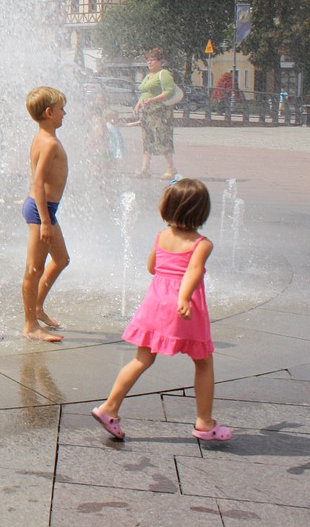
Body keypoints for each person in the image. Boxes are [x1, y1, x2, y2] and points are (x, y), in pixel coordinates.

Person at [91, 178, 230, 442]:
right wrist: (184, 298)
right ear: (202, 212)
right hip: (182, 307)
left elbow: (152, 268)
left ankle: (109, 407)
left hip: (155, 304)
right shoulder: (202, 244)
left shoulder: (161, 237)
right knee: (203, 361)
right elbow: (194, 270)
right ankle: (204, 422)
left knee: (142, 359)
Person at [22, 86, 69, 343]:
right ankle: (30, 325)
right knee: (34, 268)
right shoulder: (49, 142)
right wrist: (45, 221)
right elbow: (38, 181)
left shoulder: (43, 137)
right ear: (49, 112)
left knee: (61, 260)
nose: (65, 113)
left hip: (44, 209)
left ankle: (37, 308)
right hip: (42, 212)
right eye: (62, 109)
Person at [134, 48, 178, 180]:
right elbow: (144, 93)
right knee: (147, 139)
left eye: (152, 60)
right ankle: (145, 169)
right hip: (148, 113)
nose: (149, 62)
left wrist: (153, 100)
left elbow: (169, 92)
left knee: (162, 138)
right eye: (148, 60)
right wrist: (138, 105)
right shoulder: (148, 76)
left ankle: (171, 168)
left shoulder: (163, 74)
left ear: (160, 61)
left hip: (160, 113)